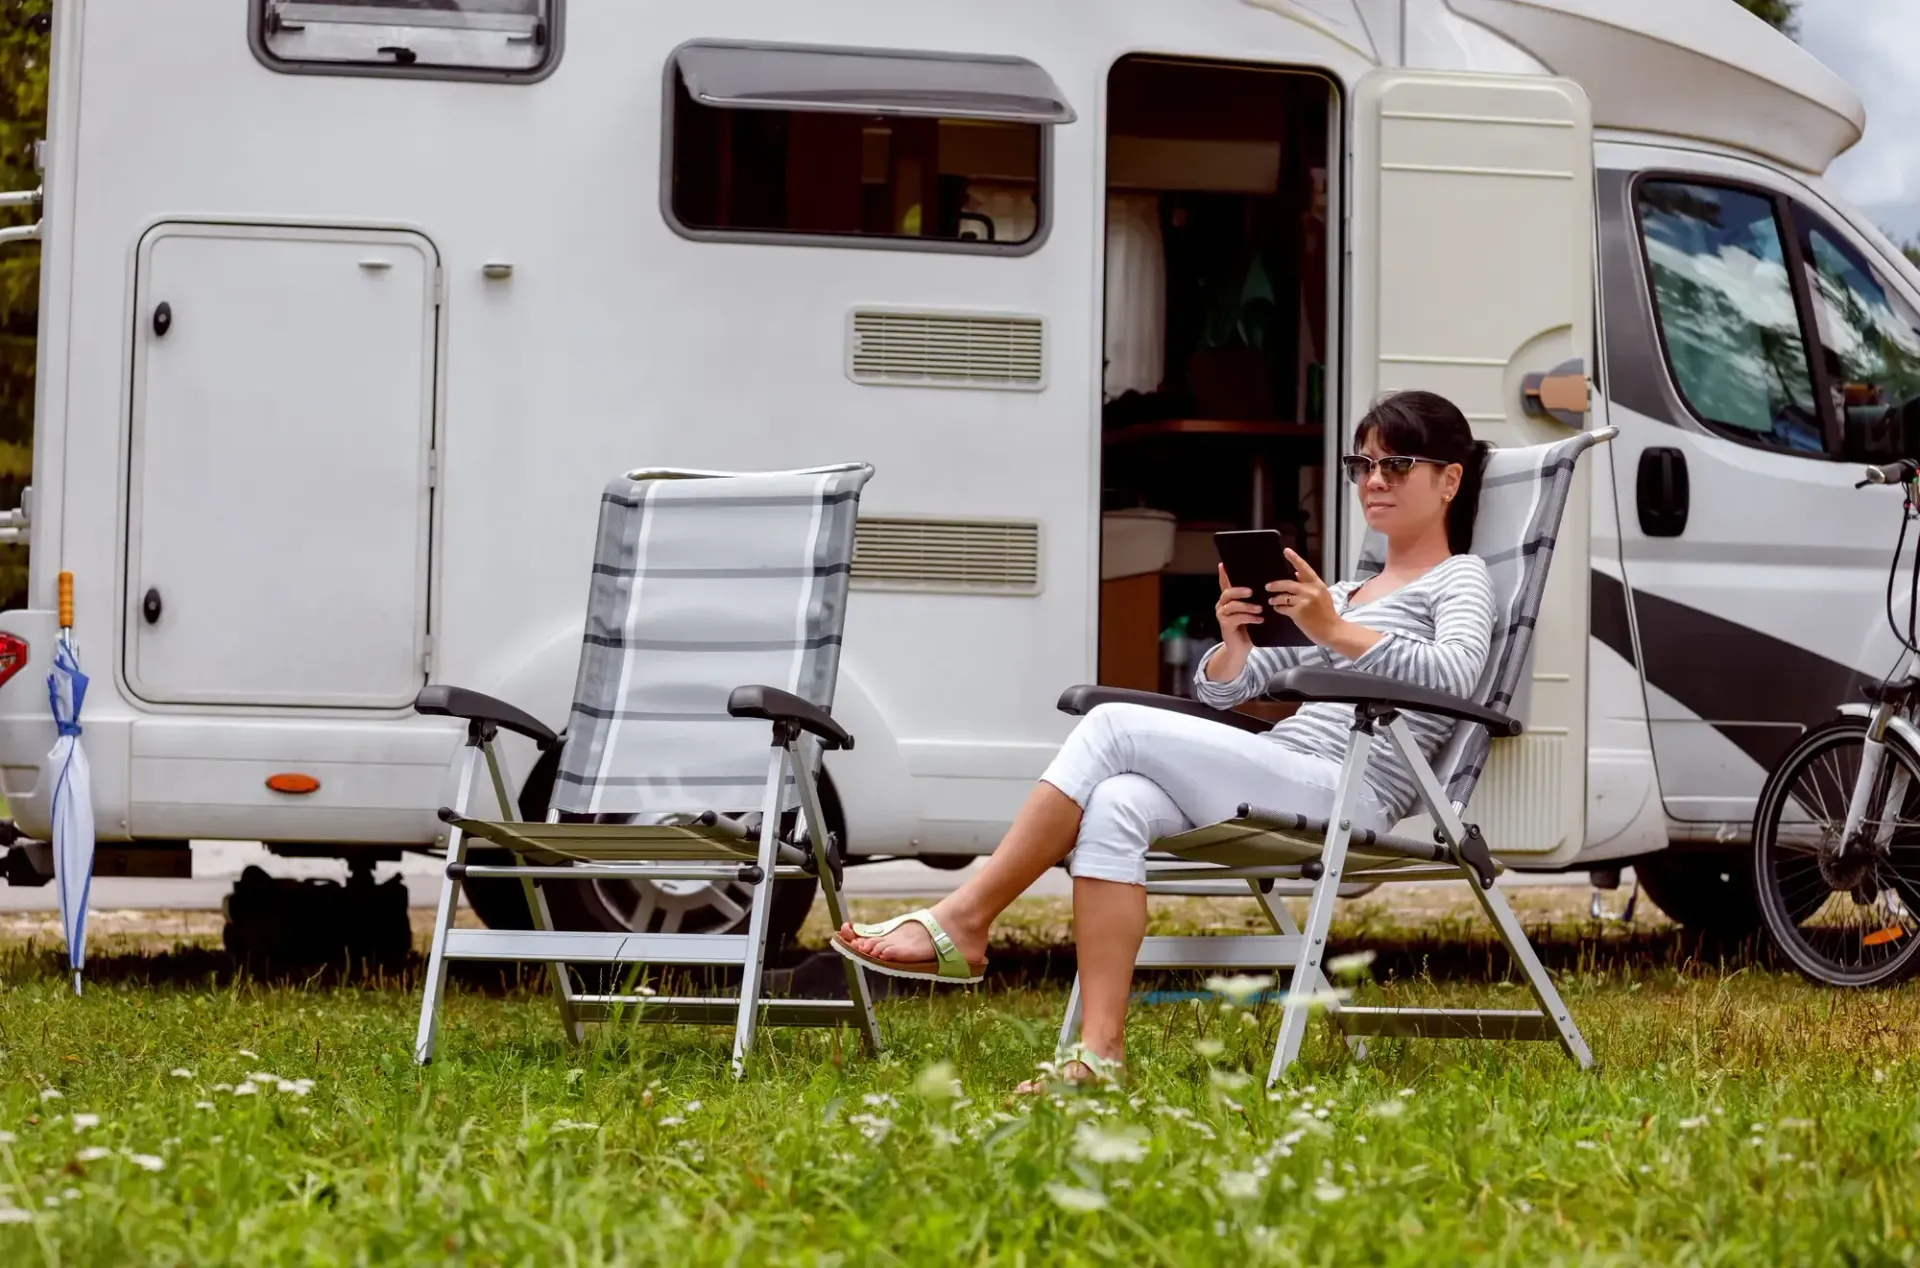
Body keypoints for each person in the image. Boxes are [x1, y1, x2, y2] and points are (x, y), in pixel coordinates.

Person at [833, 390, 1497, 1087]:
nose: (1374, 480)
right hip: (1293, 763)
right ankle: (1098, 1057)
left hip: (1354, 791)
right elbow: (1228, 689)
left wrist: (1332, 630)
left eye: (1398, 464)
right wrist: (1235, 641)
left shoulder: (1460, 578)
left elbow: (1457, 675)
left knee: (1111, 725)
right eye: (1363, 463)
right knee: (1117, 800)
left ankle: (966, 917)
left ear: (1449, 479)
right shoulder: (1343, 591)